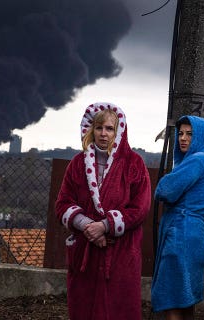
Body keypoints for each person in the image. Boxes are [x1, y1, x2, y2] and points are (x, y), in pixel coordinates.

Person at [55, 102, 151, 320]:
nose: (103, 134)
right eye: (99, 128)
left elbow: (140, 207)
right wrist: (88, 227)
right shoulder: (77, 164)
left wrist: (105, 226)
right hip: (85, 256)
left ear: (119, 132)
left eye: (109, 128)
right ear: (90, 129)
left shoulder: (133, 164)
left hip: (120, 253)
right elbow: (62, 204)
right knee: (84, 309)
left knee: (118, 310)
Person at [150, 115, 204, 319]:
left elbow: (166, 189)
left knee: (172, 297)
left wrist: (163, 185)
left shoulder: (199, 159)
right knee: (185, 298)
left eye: (190, 134)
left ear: (201, 136)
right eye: (180, 133)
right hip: (194, 235)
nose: (183, 138)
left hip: (182, 234)